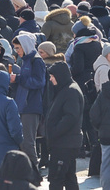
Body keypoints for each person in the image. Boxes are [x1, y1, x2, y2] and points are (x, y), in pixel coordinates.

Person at [45, 61, 84, 190]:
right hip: (66, 142)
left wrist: (54, 131)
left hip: (64, 143)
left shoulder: (70, 91)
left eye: (52, 76)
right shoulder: (66, 89)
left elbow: (70, 117)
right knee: (69, 177)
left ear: (59, 75)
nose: (50, 79)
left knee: (57, 178)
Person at [11, 33, 46, 168]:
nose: (17, 51)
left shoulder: (36, 61)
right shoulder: (27, 60)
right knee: (23, 142)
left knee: (28, 142)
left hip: (31, 106)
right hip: (24, 105)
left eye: (18, 48)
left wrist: (18, 79)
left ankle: (34, 172)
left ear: (25, 46)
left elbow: (38, 82)